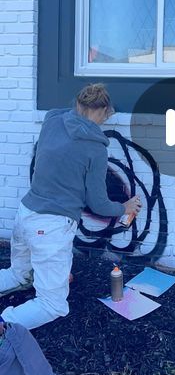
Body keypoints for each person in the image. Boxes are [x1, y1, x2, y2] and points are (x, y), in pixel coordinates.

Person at [0, 83, 141, 330]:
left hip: (25, 214)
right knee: (52, 305)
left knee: (18, 275)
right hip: (50, 228)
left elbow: (67, 117)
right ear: (106, 111)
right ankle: (4, 326)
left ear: (77, 103)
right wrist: (125, 207)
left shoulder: (52, 119)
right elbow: (97, 204)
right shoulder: (95, 149)